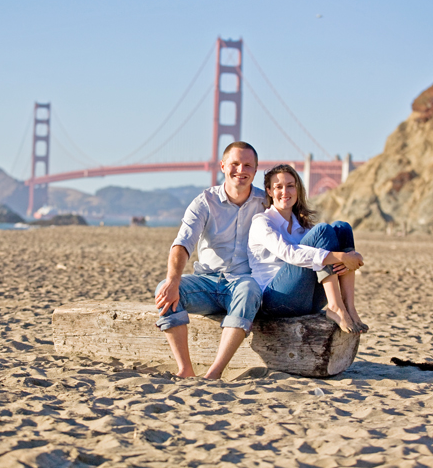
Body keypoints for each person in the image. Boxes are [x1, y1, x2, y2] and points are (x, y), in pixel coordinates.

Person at [155, 141, 265, 379]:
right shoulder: (204, 202)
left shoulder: (266, 203)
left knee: (250, 289)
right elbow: (182, 244)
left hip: (242, 283)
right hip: (205, 282)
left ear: (256, 171)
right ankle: (185, 369)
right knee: (164, 289)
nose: (240, 170)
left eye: (247, 165)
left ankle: (214, 373)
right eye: (235, 164)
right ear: (223, 166)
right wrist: (172, 281)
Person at [247, 164, 368, 333]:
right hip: (276, 300)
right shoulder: (262, 222)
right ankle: (334, 306)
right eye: (278, 187)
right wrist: (342, 257)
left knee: (342, 228)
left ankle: (348, 307)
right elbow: (289, 253)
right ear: (269, 191)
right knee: (323, 231)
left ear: (297, 189)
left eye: (290, 186)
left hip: (307, 299)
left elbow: (323, 255)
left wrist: (350, 256)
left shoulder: (303, 227)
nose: (285, 191)